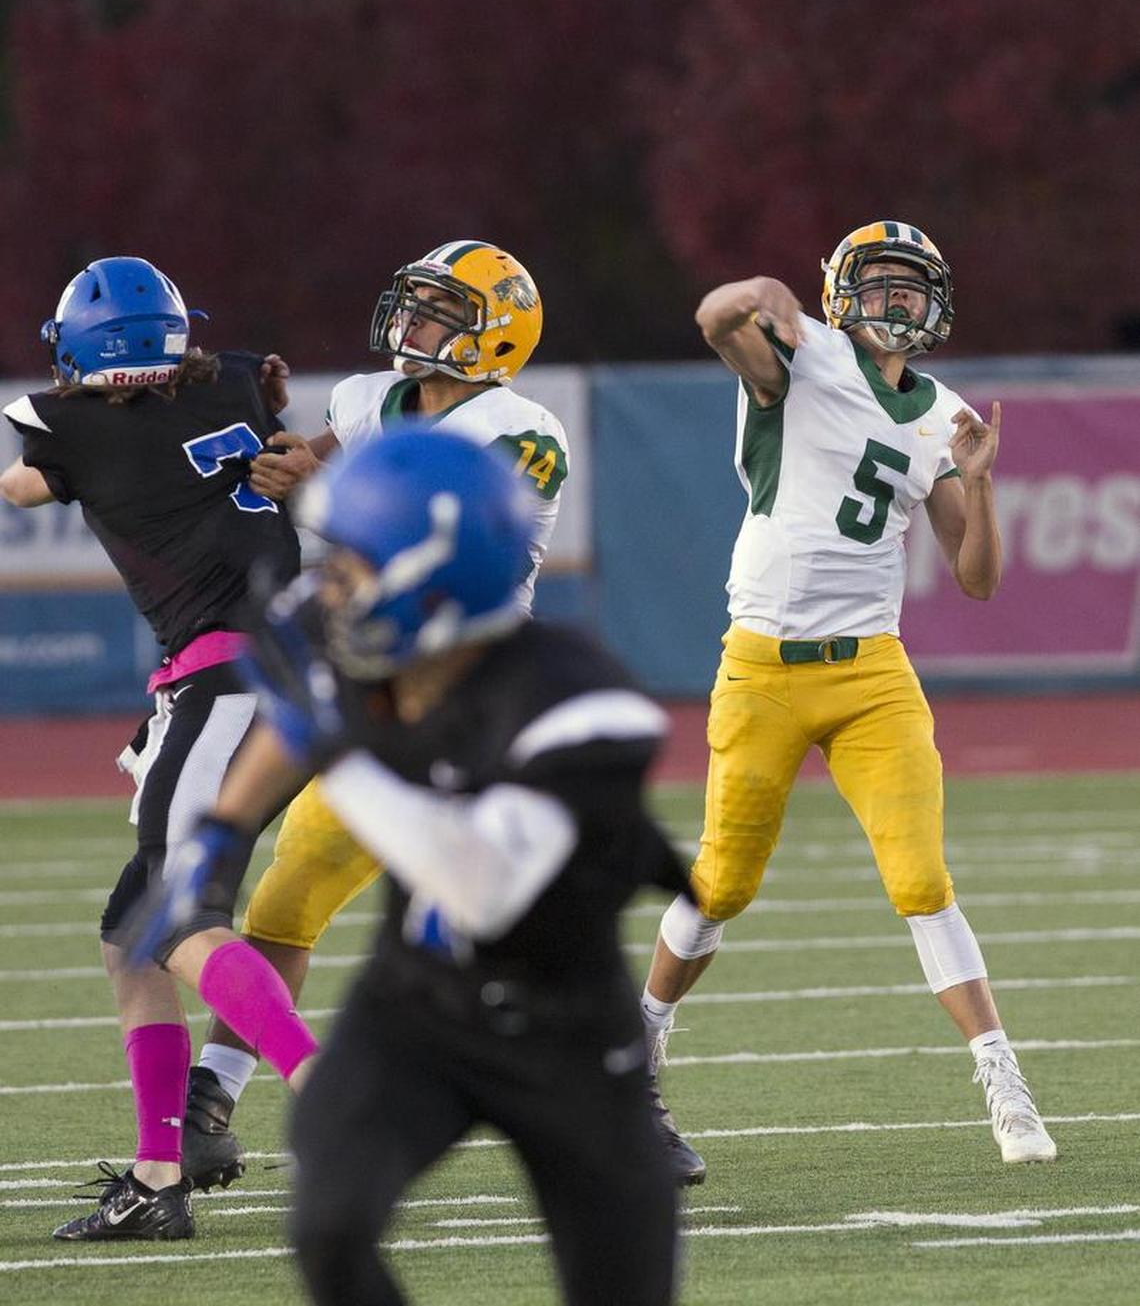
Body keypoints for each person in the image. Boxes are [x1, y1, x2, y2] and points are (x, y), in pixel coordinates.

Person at [141, 426, 684, 1306]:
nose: (333, 579)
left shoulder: (580, 699)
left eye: (355, 558)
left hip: (566, 1027)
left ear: (434, 570)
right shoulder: (372, 654)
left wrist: (338, 747)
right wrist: (217, 835)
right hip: (417, 1004)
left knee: (621, 1285)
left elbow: (480, 883)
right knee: (328, 1223)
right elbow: (295, 722)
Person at [640, 219, 1057, 1184]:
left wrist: (981, 487)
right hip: (763, 665)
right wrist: (753, 288)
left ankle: (1004, 1078)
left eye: (914, 287)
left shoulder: (941, 412)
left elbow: (978, 576)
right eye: (884, 282)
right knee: (723, 883)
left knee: (920, 877)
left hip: (872, 670)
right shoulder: (804, 355)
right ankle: (640, 1045)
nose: (900, 300)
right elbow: (712, 322)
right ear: (841, 291)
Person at [181, 239, 571, 1192]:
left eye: (441, 313)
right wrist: (267, 449)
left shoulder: (520, 431)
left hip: (461, 699)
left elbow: (429, 543)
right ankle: (210, 1098)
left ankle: (623, 1100)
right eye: (418, 305)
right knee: (289, 890)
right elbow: (309, 467)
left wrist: (310, 494)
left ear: (494, 336)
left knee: (498, 932)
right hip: (362, 680)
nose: (415, 325)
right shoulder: (368, 398)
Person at [0, 257, 320, 1242]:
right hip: (287, 671)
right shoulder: (228, 378)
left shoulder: (73, 428)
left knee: (177, 915)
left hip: (228, 680)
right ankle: (157, 1171)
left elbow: (24, 485)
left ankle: (337, 1094)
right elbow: (242, 395)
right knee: (131, 927)